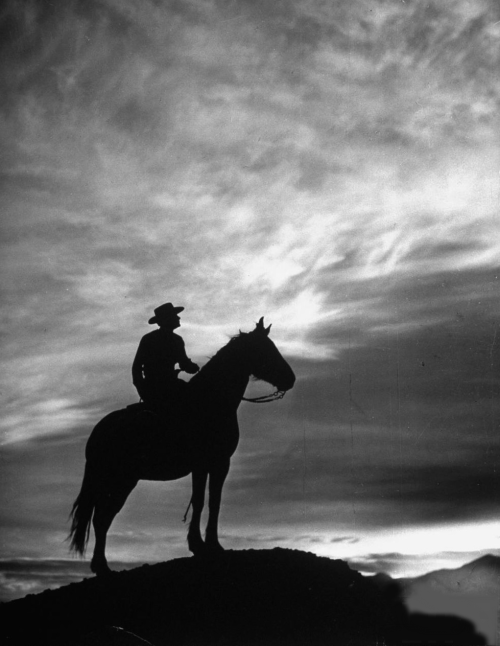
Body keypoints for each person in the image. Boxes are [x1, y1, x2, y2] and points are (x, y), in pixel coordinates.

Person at [132, 302, 199, 413]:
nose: (178, 317)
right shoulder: (150, 339)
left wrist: (192, 367)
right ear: (167, 319)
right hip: (155, 388)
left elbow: (184, 363)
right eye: (174, 315)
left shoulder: (177, 340)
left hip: (170, 384)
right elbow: (137, 368)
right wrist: (143, 390)